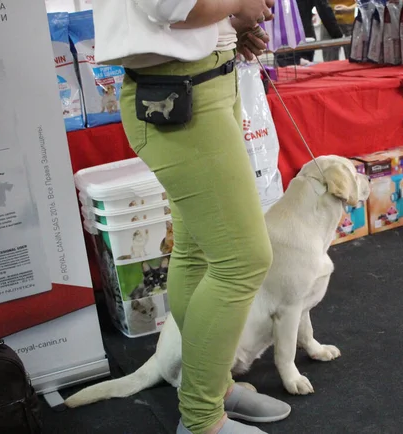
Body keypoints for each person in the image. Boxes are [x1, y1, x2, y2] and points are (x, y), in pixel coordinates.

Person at [92, 2, 292, 433]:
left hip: (203, 82)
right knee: (243, 259)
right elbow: (171, 6)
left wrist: (226, 26)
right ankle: (202, 420)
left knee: (199, 252)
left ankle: (213, 389)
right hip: (178, 94)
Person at [276, 0, 343, 66]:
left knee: (283, 72)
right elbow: (323, 8)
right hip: (304, 37)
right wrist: (337, 34)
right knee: (304, 72)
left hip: (282, 39)